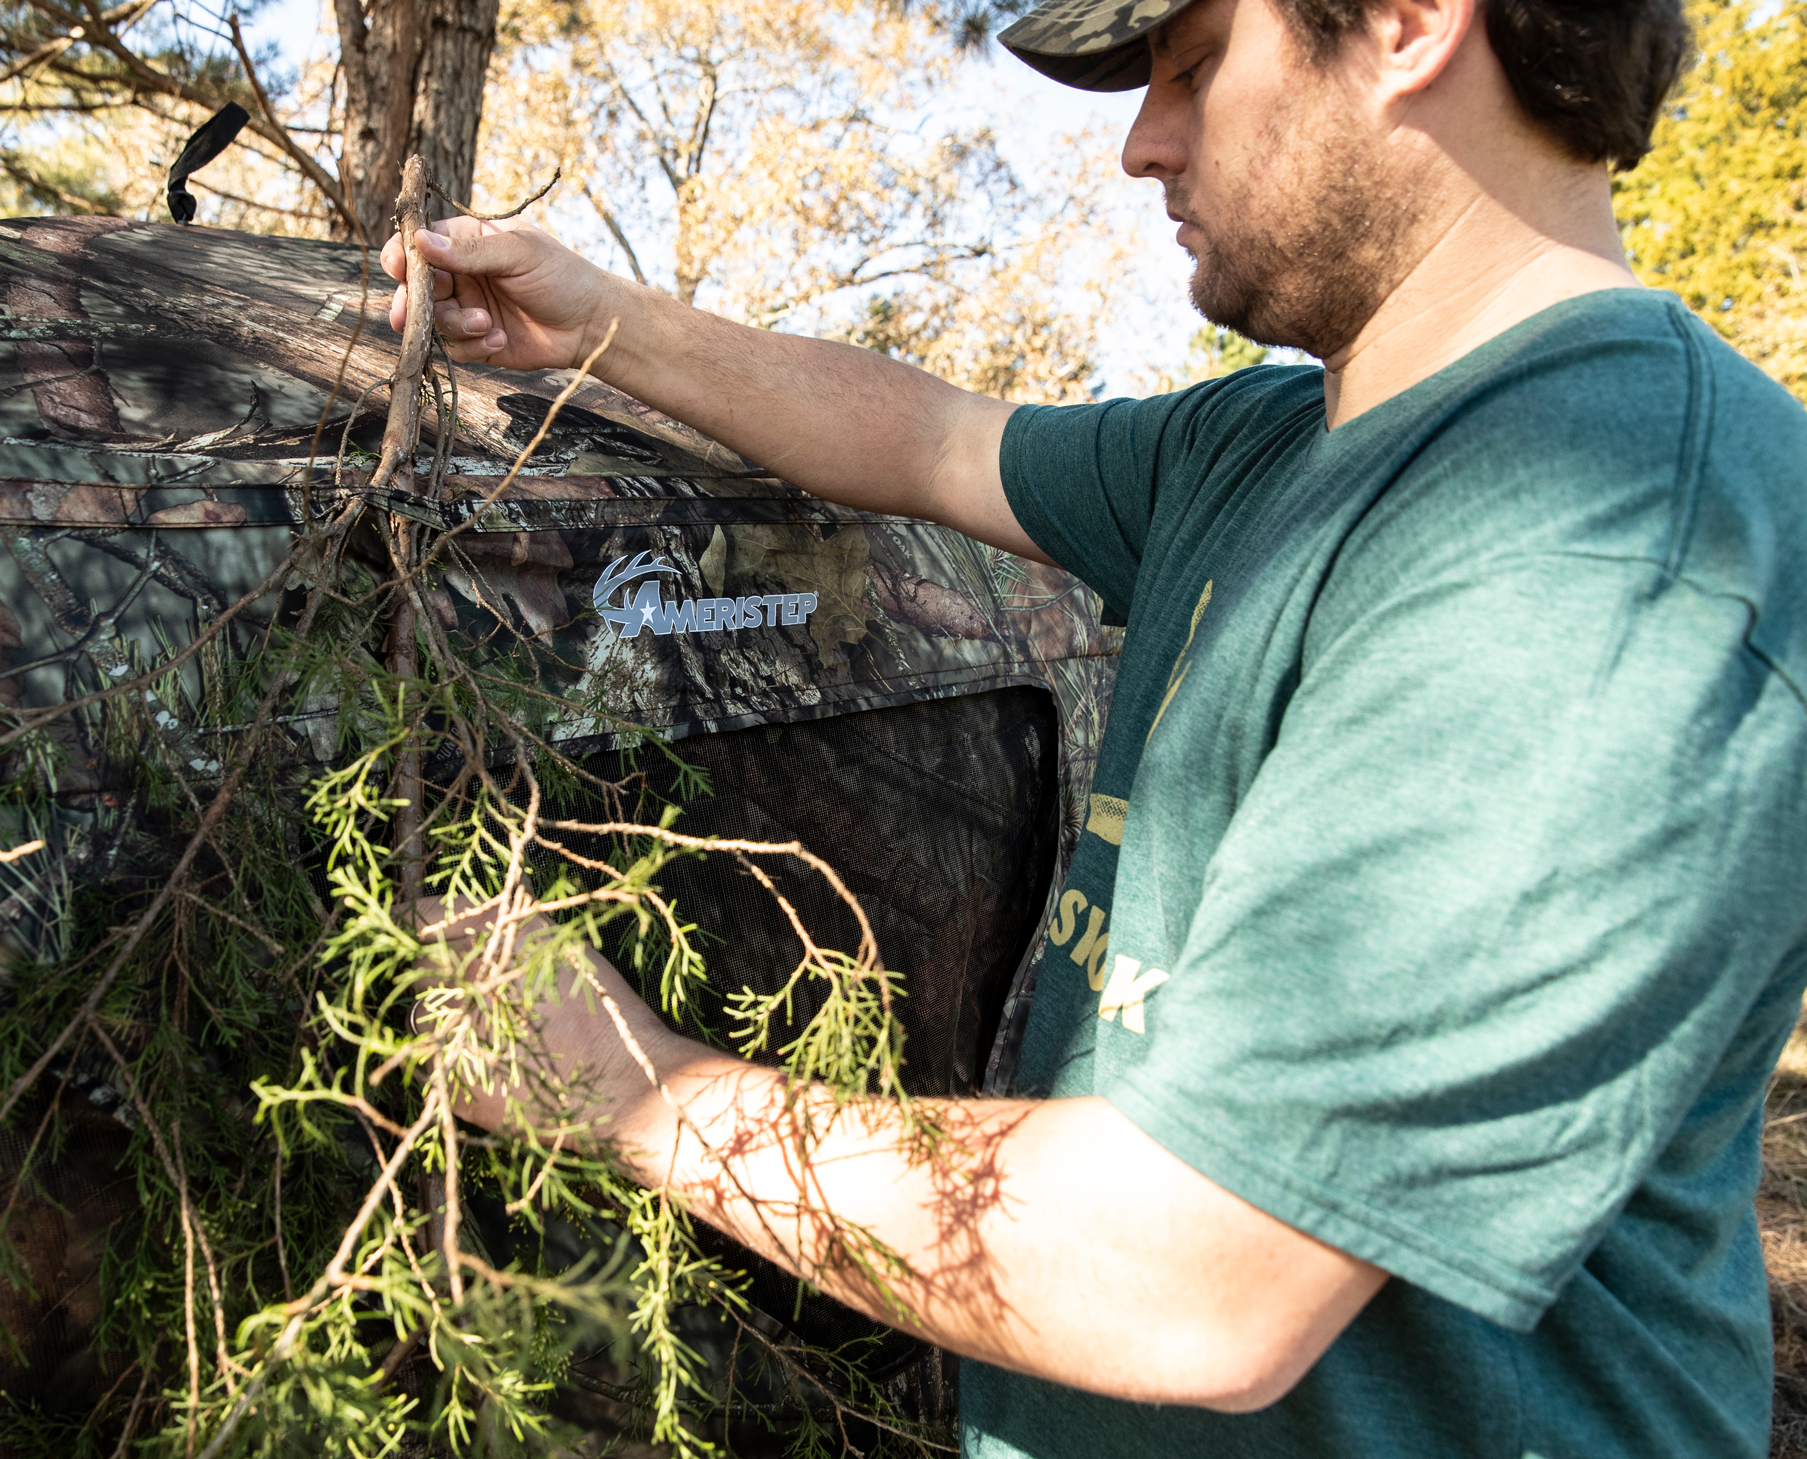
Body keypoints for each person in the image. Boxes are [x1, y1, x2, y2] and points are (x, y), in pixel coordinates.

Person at [382, 0, 1807, 1453]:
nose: (1141, 143)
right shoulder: (1262, 444)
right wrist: (606, 322)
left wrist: (631, 1087)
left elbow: (1197, 1271)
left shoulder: (1602, 539)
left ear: (1404, 24)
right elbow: (930, 438)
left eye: (1192, 69)